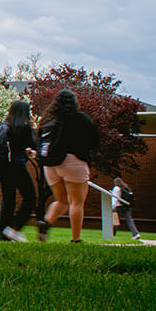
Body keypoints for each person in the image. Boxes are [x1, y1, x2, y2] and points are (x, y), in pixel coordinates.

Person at [37, 89, 100, 242]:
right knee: (76, 202)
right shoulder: (80, 118)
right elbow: (94, 141)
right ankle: (75, 239)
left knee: (62, 200)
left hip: (50, 165)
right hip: (73, 162)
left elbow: (39, 141)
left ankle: (46, 223)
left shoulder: (47, 120)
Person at [0, 100, 38, 242]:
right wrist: (33, 127)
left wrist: (25, 151)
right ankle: (14, 228)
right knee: (30, 198)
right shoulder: (24, 127)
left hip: (3, 167)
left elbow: (16, 146)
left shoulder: (5, 126)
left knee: (8, 199)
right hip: (17, 166)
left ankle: (3, 236)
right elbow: (35, 144)